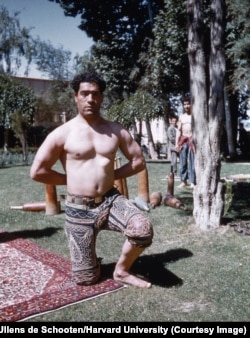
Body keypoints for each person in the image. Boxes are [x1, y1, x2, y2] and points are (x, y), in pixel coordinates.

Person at [30, 70, 153, 288]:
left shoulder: (115, 130)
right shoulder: (62, 134)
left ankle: (122, 271)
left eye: (95, 94)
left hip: (111, 200)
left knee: (142, 229)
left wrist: (111, 176)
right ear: (75, 96)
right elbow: (38, 171)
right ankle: (90, 263)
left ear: (101, 97)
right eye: (84, 94)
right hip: (79, 209)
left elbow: (138, 161)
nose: (90, 99)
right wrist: (71, 180)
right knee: (86, 279)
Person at [175, 95, 196, 188]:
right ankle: (184, 181)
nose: (186, 106)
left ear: (191, 105)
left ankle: (192, 181)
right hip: (183, 140)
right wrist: (177, 143)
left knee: (192, 161)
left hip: (192, 140)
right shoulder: (181, 117)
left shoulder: (194, 116)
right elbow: (179, 131)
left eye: (188, 104)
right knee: (183, 161)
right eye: (185, 104)